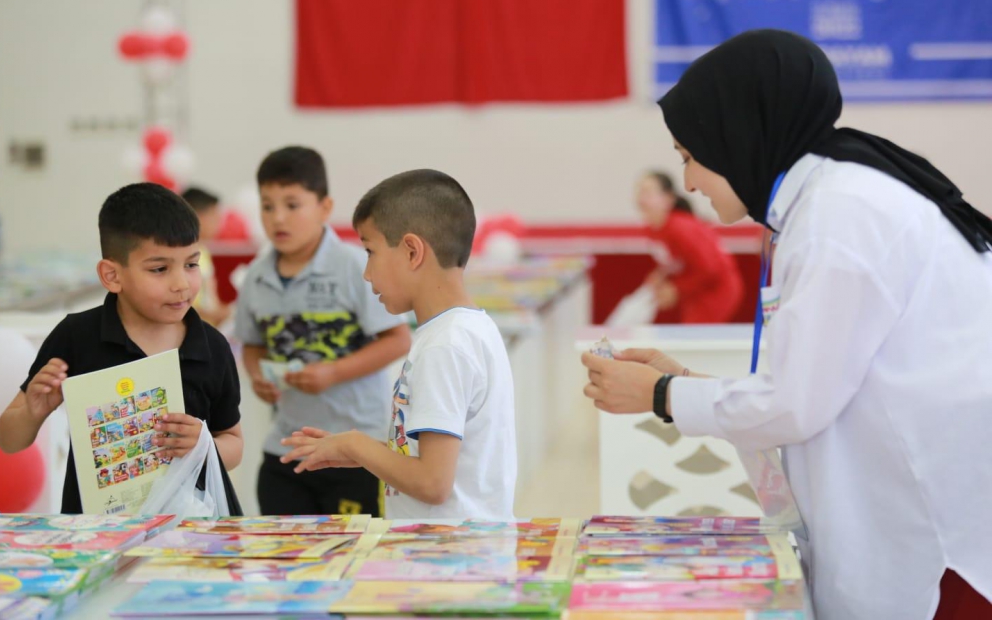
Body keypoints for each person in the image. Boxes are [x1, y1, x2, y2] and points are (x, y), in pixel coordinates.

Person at [581, 30, 992, 620]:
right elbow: (819, 382)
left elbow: (798, 402)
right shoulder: (824, 201)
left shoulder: (839, 215)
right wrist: (682, 380)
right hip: (901, 494)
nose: (690, 183)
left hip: (934, 526)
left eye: (689, 157)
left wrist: (664, 394)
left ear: (737, 136)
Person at [281, 169, 517, 520]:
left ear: (411, 251)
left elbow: (433, 483)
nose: (366, 273)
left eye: (370, 251)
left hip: (448, 563)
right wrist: (361, 454)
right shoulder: (465, 328)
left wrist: (354, 443)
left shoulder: (445, 345)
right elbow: (434, 463)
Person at [0, 183, 244, 513]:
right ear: (112, 275)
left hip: (192, 535)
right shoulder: (76, 336)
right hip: (98, 538)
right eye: (159, 269)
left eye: (191, 264)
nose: (182, 283)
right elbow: (8, 441)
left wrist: (202, 445)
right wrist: (33, 412)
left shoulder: (212, 346)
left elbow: (235, 443)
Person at [235, 146, 411, 517]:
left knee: (354, 559)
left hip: (354, 449)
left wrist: (334, 372)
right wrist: (256, 376)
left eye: (292, 204)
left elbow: (397, 340)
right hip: (287, 448)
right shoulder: (256, 276)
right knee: (282, 558)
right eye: (267, 206)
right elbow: (251, 344)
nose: (277, 218)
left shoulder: (353, 266)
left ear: (325, 208)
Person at [635, 169, 743, 322]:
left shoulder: (680, 228)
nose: (641, 199)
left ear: (668, 198)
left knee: (696, 333)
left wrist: (676, 289)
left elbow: (709, 268)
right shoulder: (652, 230)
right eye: (639, 192)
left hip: (717, 288)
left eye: (648, 192)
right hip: (697, 287)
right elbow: (678, 261)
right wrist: (661, 275)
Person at [180, 186, 231, 327]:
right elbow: (176, 301)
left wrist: (222, 311)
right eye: (215, 217)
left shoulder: (204, 253)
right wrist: (211, 314)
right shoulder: (179, 254)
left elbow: (211, 298)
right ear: (197, 216)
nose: (219, 223)